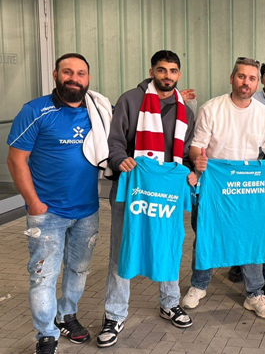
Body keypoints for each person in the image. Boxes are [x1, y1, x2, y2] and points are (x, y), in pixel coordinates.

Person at [7, 54, 110, 354]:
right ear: (56, 74)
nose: (74, 78)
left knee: (78, 270)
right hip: (47, 213)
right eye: (68, 72)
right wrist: (34, 203)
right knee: (43, 277)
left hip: (87, 211)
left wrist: (173, 97)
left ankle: (66, 316)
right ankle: (46, 334)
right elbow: (16, 160)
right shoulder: (36, 110)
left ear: (88, 78)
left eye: (81, 73)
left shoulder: (98, 111)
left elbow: (135, 115)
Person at [181, 57, 265, 318]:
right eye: (242, 76)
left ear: (257, 83)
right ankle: (198, 286)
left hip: (249, 188)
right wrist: (197, 157)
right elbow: (197, 145)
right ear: (232, 78)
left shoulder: (263, 114)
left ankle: (255, 294)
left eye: (252, 78)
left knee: (251, 237)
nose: (246, 82)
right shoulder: (212, 109)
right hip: (215, 186)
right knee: (207, 235)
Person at [99, 50, 197, 348]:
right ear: (152, 71)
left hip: (166, 191)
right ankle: (114, 315)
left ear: (179, 74)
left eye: (173, 71)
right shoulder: (130, 100)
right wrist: (120, 160)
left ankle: (170, 302)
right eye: (162, 70)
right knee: (122, 249)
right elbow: (114, 140)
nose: (167, 75)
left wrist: (191, 171)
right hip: (133, 189)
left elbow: (187, 151)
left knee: (168, 245)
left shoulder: (187, 111)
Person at [229, 60, 265, 285]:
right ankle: (238, 263)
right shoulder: (247, 100)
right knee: (239, 221)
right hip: (245, 170)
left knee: (263, 221)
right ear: (262, 80)